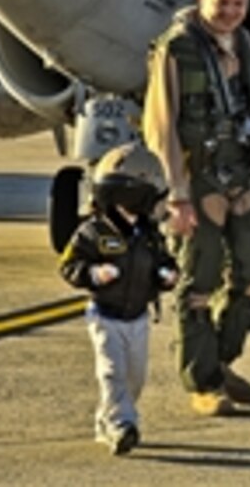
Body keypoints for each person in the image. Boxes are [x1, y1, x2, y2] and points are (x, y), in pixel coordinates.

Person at [142, 0, 250, 417]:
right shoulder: (176, 47)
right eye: (222, 2)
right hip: (196, 178)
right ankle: (203, 383)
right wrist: (177, 195)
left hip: (241, 175)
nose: (230, 11)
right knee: (198, 283)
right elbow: (160, 126)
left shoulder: (241, 42)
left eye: (238, 3)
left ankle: (220, 362)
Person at [59, 142, 178, 456]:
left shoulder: (150, 235)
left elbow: (163, 262)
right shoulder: (93, 232)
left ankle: (107, 418)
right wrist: (94, 274)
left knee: (135, 377)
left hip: (138, 317)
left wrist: (167, 275)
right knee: (111, 371)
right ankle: (122, 426)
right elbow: (69, 264)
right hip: (105, 315)